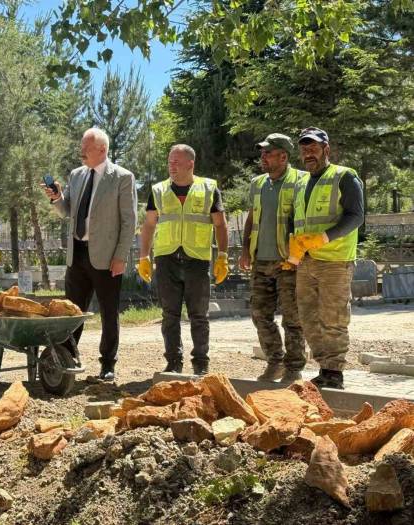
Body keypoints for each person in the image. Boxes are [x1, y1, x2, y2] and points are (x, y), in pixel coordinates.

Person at [44, 128, 137, 382]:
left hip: (107, 257)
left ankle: (107, 364)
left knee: (109, 312)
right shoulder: (76, 175)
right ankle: (64, 358)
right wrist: (57, 198)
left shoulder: (122, 177)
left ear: (102, 150)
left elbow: (129, 222)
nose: (81, 151)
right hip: (77, 255)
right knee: (71, 311)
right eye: (82, 146)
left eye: (86, 147)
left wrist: (120, 256)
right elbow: (67, 211)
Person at [137, 144, 229, 376]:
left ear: (191, 164)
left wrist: (223, 257)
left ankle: (200, 363)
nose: (172, 166)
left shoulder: (209, 188)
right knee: (170, 315)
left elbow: (220, 224)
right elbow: (149, 224)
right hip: (167, 259)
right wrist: (144, 256)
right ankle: (173, 362)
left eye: (177, 162)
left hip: (197, 260)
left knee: (199, 315)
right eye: (170, 162)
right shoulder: (158, 190)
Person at [289, 127, 364, 390]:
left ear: (326, 149)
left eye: (313, 148)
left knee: (333, 318)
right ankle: (324, 368)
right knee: (308, 318)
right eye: (304, 148)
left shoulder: (344, 176)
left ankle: (334, 373)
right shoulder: (300, 182)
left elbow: (356, 216)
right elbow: (296, 219)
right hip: (306, 261)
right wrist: (293, 250)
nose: (308, 153)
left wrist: (324, 237)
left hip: (335, 260)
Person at [239, 133, 308, 383]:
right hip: (261, 261)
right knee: (259, 314)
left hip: (288, 262)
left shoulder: (301, 181)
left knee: (293, 318)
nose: (263, 157)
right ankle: (275, 361)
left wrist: (296, 256)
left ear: (283, 156)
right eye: (262, 153)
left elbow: (303, 221)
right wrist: (245, 249)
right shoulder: (258, 183)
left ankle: (294, 367)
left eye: (268, 153)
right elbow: (251, 218)